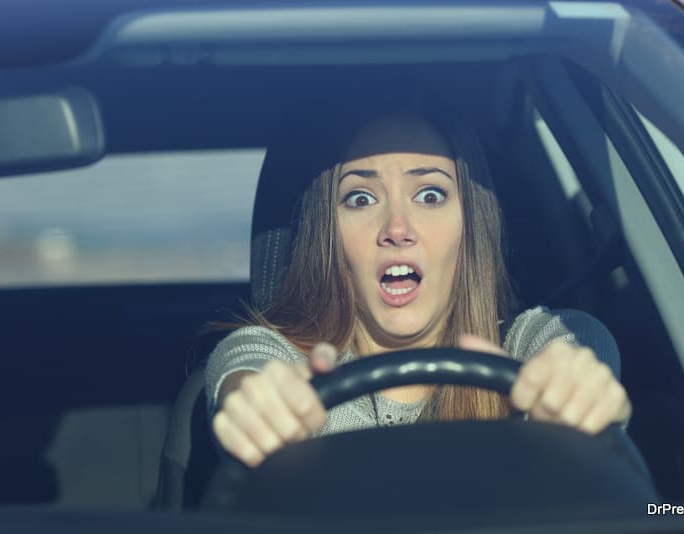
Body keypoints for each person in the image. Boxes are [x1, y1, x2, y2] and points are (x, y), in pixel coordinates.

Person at [205, 95, 631, 468]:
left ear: (470, 226)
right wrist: (257, 404)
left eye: (430, 195)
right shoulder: (289, 366)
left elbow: (574, 346)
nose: (396, 227)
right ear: (329, 236)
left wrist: (575, 389)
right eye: (360, 198)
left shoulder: (524, 350)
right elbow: (246, 365)